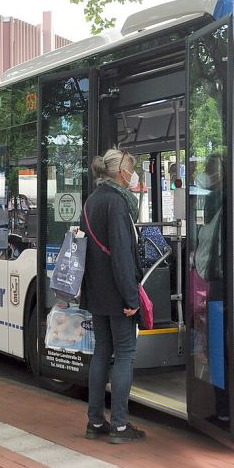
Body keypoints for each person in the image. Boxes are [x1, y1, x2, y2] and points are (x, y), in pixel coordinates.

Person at [81, 148, 147, 444]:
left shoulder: (92, 200)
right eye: (132, 170)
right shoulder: (118, 204)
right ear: (122, 173)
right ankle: (120, 426)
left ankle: (95, 422)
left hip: (95, 291)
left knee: (101, 353)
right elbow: (121, 255)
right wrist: (131, 299)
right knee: (125, 355)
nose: (134, 177)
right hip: (118, 295)